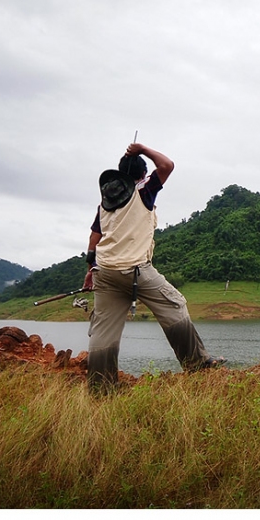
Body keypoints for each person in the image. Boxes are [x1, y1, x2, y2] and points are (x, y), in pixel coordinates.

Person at [82, 142, 223, 390]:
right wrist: (142, 149)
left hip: (103, 272)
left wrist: (90, 268)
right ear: (141, 175)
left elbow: (95, 237)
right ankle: (197, 364)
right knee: (174, 305)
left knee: (104, 329)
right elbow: (167, 165)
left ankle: (100, 387)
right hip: (135, 269)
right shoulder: (142, 191)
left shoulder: (104, 203)